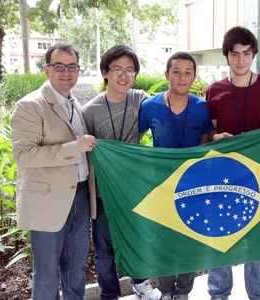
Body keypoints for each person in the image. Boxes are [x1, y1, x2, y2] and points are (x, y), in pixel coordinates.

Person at [11, 43, 97, 300]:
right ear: (46, 69)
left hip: (80, 196)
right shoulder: (30, 105)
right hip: (47, 202)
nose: (66, 72)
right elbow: (24, 156)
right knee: (47, 274)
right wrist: (74, 147)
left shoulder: (75, 104)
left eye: (72, 67)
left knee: (75, 270)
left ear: (79, 71)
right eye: (59, 66)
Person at [205, 26, 260, 300]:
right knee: (220, 238)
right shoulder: (214, 90)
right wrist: (216, 137)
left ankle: (259, 295)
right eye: (235, 54)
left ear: (254, 55)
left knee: (257, 243)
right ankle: (219, 294)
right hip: (223, 176)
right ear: (227, 56)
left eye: (246, 54)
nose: (240, 60)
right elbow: (209, 134)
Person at [83, 45, 160, 300]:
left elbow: (166, 109)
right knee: (105, 248)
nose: (124, 75)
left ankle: (141, 283)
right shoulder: (90, 111)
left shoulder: (140, 100)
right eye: (117, 69)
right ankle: (109, 293)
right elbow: (86, 152)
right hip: (104, 193)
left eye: (130, 70)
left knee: (138, 240)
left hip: (134, 188)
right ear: (105, 72)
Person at [139, 51, 213, 300]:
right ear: (166, 74)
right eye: (176, 72)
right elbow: (134, 142)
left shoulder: (202, 108)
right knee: (163, 242)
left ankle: (183, 292)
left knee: (189, 240)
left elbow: (206, 143)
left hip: (193, 185)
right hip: (161, 185)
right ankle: (166, 290)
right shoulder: (149, 107)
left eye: (187, 72)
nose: (182, 77)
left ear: (194, 76)